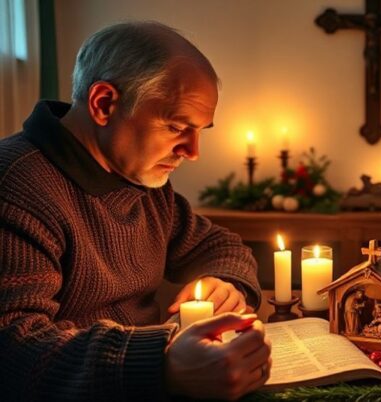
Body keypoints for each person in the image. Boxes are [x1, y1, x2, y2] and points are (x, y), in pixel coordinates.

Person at [0, 22, 271, 400]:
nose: (193, 152)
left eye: (200, 130)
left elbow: (220, 245)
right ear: (104, 104)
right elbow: (13, 349)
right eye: (178, 126)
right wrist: (162, 364)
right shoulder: (17, 186)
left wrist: (226, 283)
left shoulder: (142, 185)